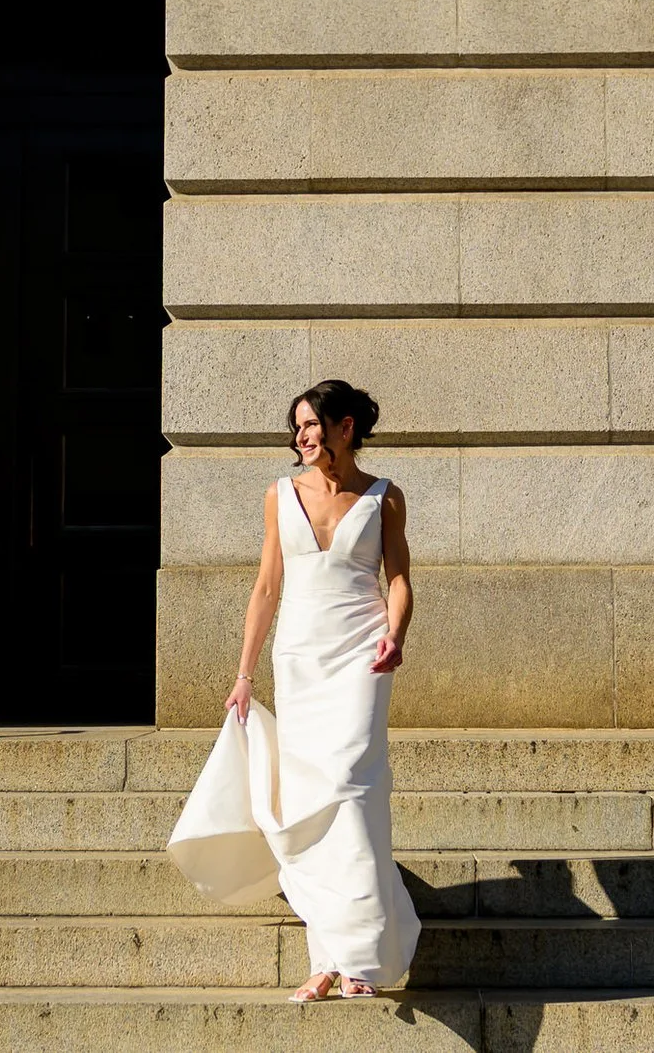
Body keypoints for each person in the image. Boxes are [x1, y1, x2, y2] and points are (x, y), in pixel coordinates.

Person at [168, 378, 420, 1000]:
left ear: (346, 428)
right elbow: (265, 589)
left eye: (313, 424)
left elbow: (400, 578)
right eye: (298, 426)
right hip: (301, 659)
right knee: (309, 801)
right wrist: (244, 674)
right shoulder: (279, 496)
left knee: (353, 792)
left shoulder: (385, 498)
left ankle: (361, 958)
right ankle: (328, 957)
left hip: (362, 657)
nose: (302, 436)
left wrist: (397, 634)